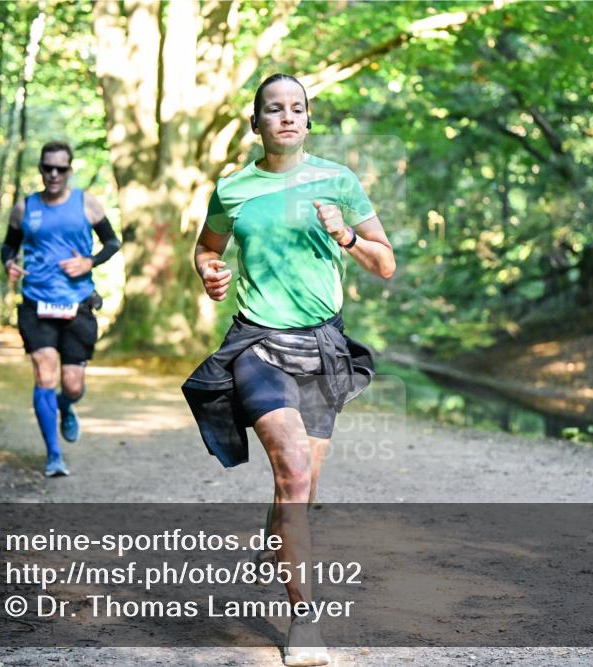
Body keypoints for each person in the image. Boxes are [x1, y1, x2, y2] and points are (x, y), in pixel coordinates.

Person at [182, 74, 396, 666]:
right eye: (274, 109)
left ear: (308, 119)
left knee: (298, 496)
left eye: (297, 108)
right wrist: (210, 272)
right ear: (257, 124)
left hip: (323, 347)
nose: (287, 116)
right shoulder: (234, 188)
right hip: (257, 343)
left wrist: (347, 235)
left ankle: (277, 538)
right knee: (295, 474)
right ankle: (305, 622)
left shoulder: (340, 182)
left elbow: (385, 264)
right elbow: (207, 248)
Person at [0, 141, 121, 477]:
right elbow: (8, 247)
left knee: (71, 384)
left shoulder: (86, 203)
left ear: (69, 170)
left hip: (77, 303)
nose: (53, 174)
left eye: (60, 169)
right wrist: (10, 263)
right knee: (44, 372)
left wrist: (89, 262)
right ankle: (54, 456)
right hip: (36, 303)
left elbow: (112, 242)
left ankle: (66, 407)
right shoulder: (25, 208)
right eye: (47, 168)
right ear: (40, 169)